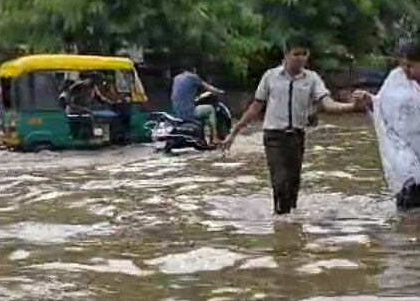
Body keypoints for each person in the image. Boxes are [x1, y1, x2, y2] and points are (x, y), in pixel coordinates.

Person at [221, 33, 367, 215]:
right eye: (296, 54)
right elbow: (256, 107)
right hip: (273, 136)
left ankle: (290, 228)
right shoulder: (270, 77)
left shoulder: (312, 79)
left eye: (304, 54)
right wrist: (234, 133)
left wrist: (352, 106)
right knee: (280, 181)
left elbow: (327, 104)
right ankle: (281, 225)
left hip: (297, 136)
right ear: (286, 54)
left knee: (292, 185)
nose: (300, 58)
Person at [370, 41, 420, 210]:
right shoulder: (396, 79)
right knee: (409, 210)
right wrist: (368, 100)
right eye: (403, 65)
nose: (405, 70)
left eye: (410, 65)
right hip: (405, 156)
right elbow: (381, 103)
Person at [171, 63, 224, 144]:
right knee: (210, 109)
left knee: (203, 112)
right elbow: (209, 88)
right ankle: (214, 138)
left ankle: (202, 138)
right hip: (189, 112)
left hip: (177, 112)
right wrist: (219, 91)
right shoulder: (193, 77)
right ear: (194, 69)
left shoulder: (176, 78)